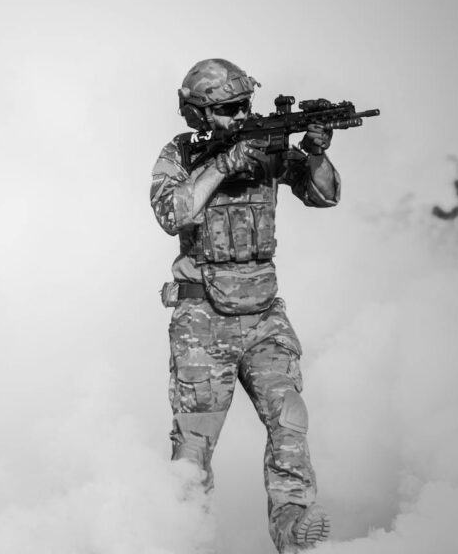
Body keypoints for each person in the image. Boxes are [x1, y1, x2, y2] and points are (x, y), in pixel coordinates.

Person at [149, 59, 337, 552]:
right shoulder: (181, 153)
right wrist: (223, 165)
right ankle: (183, 539)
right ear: (199, 115)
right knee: (193, 450)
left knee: (289, 419)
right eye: (228, 109)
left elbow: (324, 196)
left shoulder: (267, 147)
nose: (240, 116)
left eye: (243, 106)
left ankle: (294, 526)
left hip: (264, 314)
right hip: (202, 321)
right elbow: (171, 214)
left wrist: (316, 153)